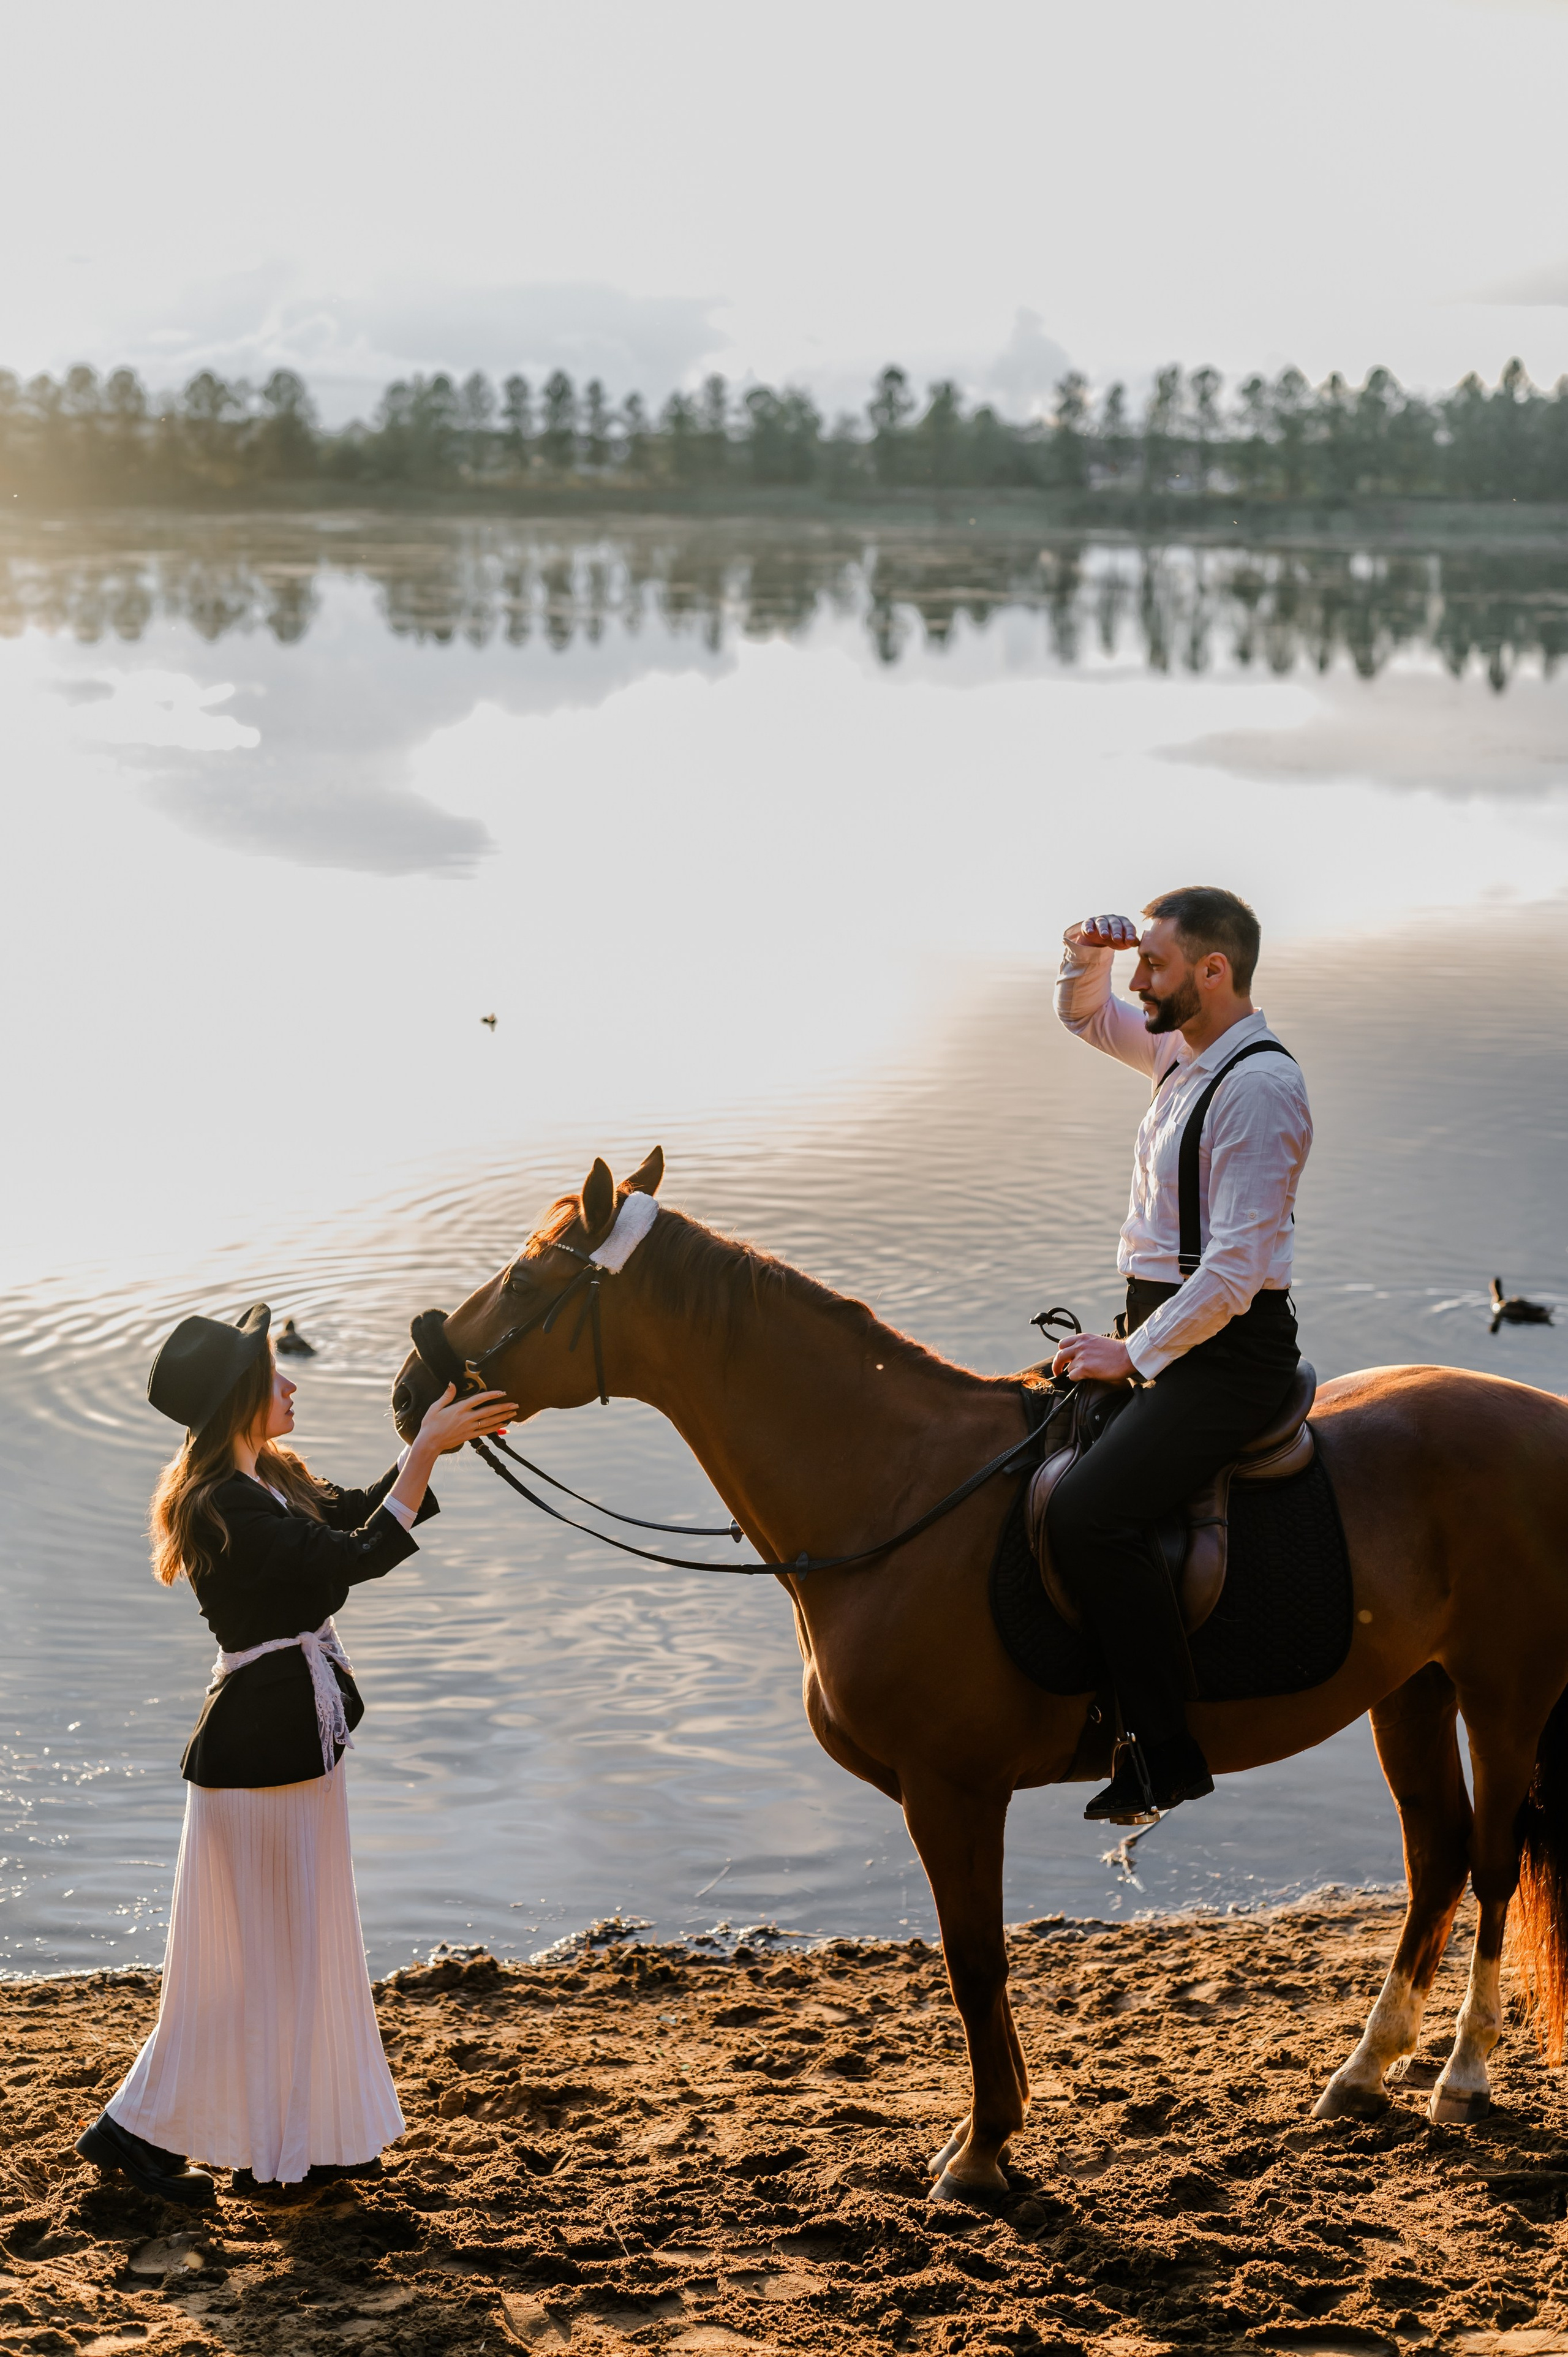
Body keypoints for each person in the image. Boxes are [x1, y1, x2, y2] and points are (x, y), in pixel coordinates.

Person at [75, 1303, 514, 2209]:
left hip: (289, 1738)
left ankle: (297, 2145)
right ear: (238, 1396)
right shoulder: (220, 1501)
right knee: (264, 1961)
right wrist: (424, 1450)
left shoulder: (266, 1475)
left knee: (296, 1949)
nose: (291, 1383)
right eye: (274, 1374)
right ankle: (160, 2138)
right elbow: (350, 1559)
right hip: (260, 1749)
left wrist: (432, 1443)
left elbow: (351, 1521)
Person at [1048, 887, 1313, 1826]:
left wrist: (1133, 1354)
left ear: (1214, 970)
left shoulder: (1261, 1087)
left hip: (1229, 1355)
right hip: (1164, 1328)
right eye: (1136, 962)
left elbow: (1237, 1270)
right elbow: (1084, 1018)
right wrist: (1084, 950)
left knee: (1087, 1514)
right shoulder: (1180, 1050)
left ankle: (1165, 1755)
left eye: (1152, 964)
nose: (1136, 979)